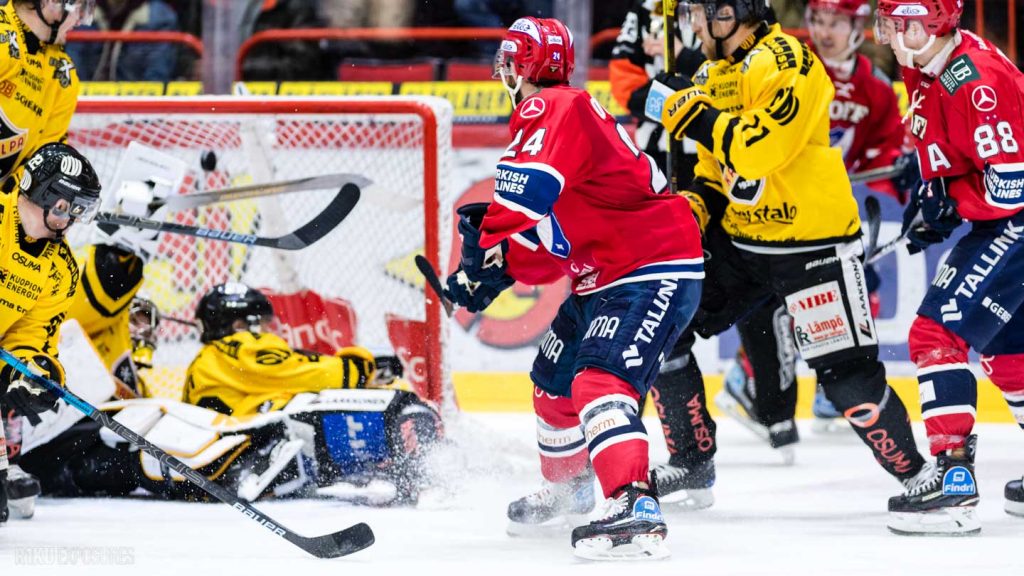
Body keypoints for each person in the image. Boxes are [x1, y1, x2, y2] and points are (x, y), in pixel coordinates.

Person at [649, 0, 932, 524]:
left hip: (812, 245)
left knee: (847, 380)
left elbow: (758, 151)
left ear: (728, 14)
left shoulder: (790, 62)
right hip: (745, 242)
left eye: (698, 15)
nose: (691, 27)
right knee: (664, 324)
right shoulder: (711, 73)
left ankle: (920, 476)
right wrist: (693, 207)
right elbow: (716, 171)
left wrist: (694, 115)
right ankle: (691, 462)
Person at [443, 16, 704, 560]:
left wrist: (486, 240)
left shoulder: (553, 106)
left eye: (510, 61)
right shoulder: (560, 124)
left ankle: (634, 503)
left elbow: (526, 194)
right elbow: (551, 246)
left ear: (526, 66)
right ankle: (569, 490)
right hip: (604, 275)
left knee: (599, 379)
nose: (504, 72)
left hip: (649, 266)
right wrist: (498, 271)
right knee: (553, 381)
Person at [18, 282, 443, 505]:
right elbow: (304, 373)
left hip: (216, 457)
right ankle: (429, 461)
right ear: (241, 323)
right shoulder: (234, 348)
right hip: (246, 443)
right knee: (402, 406)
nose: (269, 330)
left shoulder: (208, 363)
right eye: (261, 322)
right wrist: (362, 366)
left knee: (106, 461)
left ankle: (44, 470)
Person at [713, 0, 921, 441]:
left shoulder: (875, 86)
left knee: (848, 293)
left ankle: (828, 388)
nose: (826, 32)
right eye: (819, 22)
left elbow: (882, 149)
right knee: (772, 297)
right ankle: (749, 379)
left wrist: (895, 170)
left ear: (857, 27)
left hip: (829, 212)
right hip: (779, 206)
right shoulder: (789, 64)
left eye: (836, 23)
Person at [874, 0, 1024, 534]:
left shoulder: (979, 83)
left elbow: (1011, 188)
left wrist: (950, 202)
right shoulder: (925, 63)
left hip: (1016, 220)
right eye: (888, 24)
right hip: (1008, 221)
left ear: (933, 24)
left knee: (934, 333)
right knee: (1008, 350)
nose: (890, 35)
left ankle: (952, 480)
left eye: (901, 25)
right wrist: (933, 188)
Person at [0, 0, 95, 523]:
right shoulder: (2, 33)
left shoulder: (61, 72)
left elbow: (47, 156)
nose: (83, 18)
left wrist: (59, 204)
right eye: (81, 5)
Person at [0, 143, 101, 523]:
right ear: (44, 195)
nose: (70, 220)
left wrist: (32, 373)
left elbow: (31, 337)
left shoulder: (60, 270)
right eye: (66, 208)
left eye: (77, 212)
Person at [64, 0, 180, 81]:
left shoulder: (160, 18)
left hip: (134, 103)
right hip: (85, 101)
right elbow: (72, 70)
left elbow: (155, 80)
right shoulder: (80, 12)